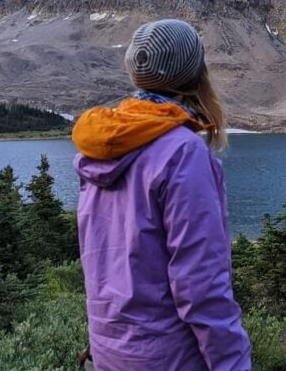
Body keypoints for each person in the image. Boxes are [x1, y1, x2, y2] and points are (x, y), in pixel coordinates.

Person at [72, 19, 252, 370]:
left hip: (109, 353)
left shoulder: (97, 150)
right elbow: (201, 287)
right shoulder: (183, 153)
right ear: (196, 75)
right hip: (169, 357)